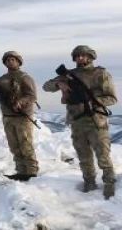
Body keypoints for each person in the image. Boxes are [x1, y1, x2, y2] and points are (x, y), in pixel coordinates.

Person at [43, 45, 117, 199]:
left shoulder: (100, 74)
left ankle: (109, 182)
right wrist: (59, 84)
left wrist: (94, 101)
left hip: (96, 121)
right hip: (77, 121)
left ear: (90, 57)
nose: (80, 58)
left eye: (83, 56)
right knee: (83, 156)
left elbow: (112, 98)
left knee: (103, 154)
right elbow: (46, 86)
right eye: (77, 56)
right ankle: (89, 182)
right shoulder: (69, 75)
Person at [0, 51, 39, 181]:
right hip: (8, 116)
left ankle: (31, 171)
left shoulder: (25, 77)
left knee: (25, 144)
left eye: (13, 59)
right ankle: (20, 170)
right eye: (7, 60)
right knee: (14, 145)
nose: (10, 62)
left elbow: (32, 96)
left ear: (18, 61)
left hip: (22, 116)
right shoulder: (2, 79)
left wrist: (20, 102)